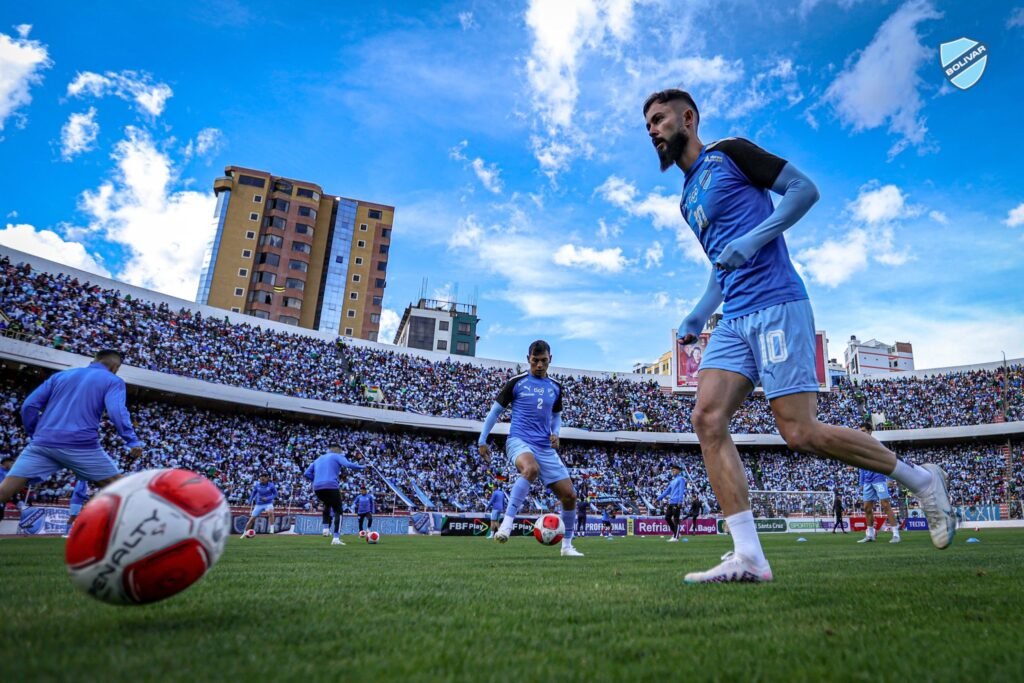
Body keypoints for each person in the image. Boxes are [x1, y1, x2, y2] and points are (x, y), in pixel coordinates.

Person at [642, 89, 955, 583]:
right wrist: (700, 314)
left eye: (659, 120)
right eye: (648, 126)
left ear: (688, 118)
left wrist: (753, 239)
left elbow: (804, 190)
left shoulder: (731, 154)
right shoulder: (686, 200)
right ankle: (749, 556)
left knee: (800, 432)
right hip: (735, 316)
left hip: (777, 303)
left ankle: (921, 479)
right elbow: (719, 265)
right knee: (707, 417)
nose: (653, 131)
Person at [0, 350, 144, 513]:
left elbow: (29, 405)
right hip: (81, 445)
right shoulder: (113, 380)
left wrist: (34, 432)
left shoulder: (61, 376)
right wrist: (131, 440)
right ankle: (157, 527)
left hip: (42, 443)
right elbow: (116, 411)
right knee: (123, 487)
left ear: (94, 359)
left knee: (4, 491)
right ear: (115, 366)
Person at [478, 340, 583, 557]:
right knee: (530, 469)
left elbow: (556, 416)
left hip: (545, 447)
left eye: (543, 361)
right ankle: (506, 526)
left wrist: (556, 434)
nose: (539, 365)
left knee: (570, 496)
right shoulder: (516, 383)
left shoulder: (555, 387)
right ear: (528, 359)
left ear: (550, 360)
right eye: (535, 361)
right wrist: (482, 440)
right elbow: (494, 413)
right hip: (519, 441)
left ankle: (567, 547)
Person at [303, 445, 366, 546]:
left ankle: (325, 528)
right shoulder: (337, 456)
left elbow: (306, 473)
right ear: (338, 451)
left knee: (327, 504)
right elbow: (348, 465)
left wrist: (316, 479)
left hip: (318, 487)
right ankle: (336, 538)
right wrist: (363, 467)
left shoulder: (319, 458)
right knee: (338, 510)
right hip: (331, 485)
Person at [857, 423, 901, 544]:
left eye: (864, 431)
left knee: (886, 505)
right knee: (867, 508)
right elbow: (860, 464)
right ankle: (870, 535)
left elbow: (886, 461)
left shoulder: (877, 445)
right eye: (860, 431)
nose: (861, 433)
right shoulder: (859, 447)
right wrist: (861, 482)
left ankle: (896, 534)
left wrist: (889, 478)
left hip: (879, 478)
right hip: (867, 481)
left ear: (870, 431)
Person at [241, 473, 277, 539]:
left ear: (267, 478)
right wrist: (250, 501)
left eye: (263, 479)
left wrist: (267, 498)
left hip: (268, 503)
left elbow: (275, 494)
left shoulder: (271, 485)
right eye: (261, 479)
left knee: (271, 512)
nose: (262, 480)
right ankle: (244, 533)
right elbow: (253, 493)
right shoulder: (257, 485)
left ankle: (272, 529)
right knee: (251, 520)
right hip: (259, 504)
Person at [656, 464, 687, 542]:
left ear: (678, 471)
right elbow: (667, 491)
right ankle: (676, 533)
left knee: (676, 519)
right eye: (672, 470)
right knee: (667, 518)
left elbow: (681, 490)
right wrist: (658, 498)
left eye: (674, 470)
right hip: (671, 502)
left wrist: (680, 501)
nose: (672, 472)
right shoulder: (672, 481)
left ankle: (676, 537)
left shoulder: (681, 479)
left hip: (677, 502)